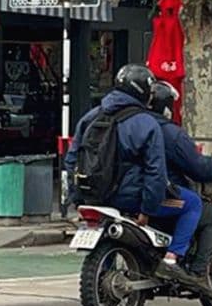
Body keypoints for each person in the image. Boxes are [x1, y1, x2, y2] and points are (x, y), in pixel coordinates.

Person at [65, 64, 202, 285]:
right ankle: (171, 259)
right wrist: (147, 209)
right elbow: (155, 171)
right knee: (193, 203)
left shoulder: (90, 117)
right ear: (143, 91)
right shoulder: (146, 123)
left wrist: (76, 197)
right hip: (130, 198)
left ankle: (105, 276)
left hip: (93, 197)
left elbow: (71, 159)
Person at [148, 81, 212, 284]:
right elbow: (196, 166)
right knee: (208, 213)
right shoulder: (169, 133)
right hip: (159, 196)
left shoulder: (129, 125)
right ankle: (192, 271)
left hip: (124, 194)